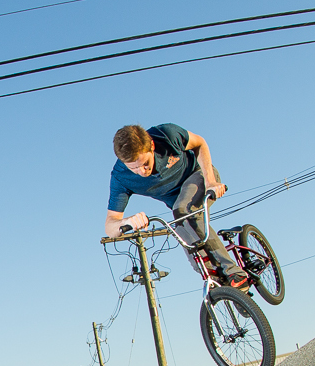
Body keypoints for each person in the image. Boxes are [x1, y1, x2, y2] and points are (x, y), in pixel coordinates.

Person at [102, 122, 250, 289]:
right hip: (178, 209)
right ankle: (225, 288)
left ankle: (234, 272)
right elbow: (110, 225)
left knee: (184, 211)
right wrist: (125, 222)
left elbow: (200, 143)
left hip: (199, 175)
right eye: (134, 168)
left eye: (145, 163)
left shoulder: (166, 135)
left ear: (152, 146)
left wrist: (211, 182)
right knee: (196, 258)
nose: (142, 171)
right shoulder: (120, 177)